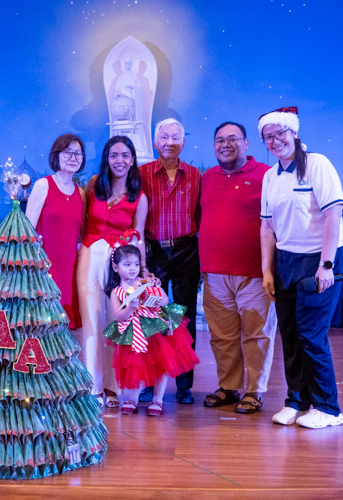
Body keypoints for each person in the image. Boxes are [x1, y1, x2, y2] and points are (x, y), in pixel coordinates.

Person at [259, 107, 343, 429]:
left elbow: (333, 215)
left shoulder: (317, 165)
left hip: (319, 258)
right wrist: (268, 270)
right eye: (268, 137)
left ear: (294, 132)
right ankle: (297, 401)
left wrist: (326, 266)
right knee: (290, 334)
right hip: (286, 259)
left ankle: (328, 407)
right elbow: (267, 228)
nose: (275, 140)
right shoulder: (271, 176)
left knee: (311, 333)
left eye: (280, 133)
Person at [199, 121, 277, 414]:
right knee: (222, 336)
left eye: (233, 139)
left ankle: (254, 391)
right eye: (220, 140)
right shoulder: (207, 178)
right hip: (215, 272)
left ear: (247, 143)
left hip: (255, 273)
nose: (225, 144)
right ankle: (228, 386)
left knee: (257, 334)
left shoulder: (266, 177)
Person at [76, 136, 148, 409]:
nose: (119, 161)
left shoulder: (139, 197)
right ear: (107, 158)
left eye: (125, 155)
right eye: (114, 155)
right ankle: (91, 386)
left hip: (119, 262)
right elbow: (80, 220)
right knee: (91, 318)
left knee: (116, 321)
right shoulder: (94, 185)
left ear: (132, 160)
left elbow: (138, 237)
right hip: (89, 256)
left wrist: (140, 272)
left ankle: (114, 386)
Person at [139, 118, 201, 405]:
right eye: (164, 137)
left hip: (187, 250)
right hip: (154, 253)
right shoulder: (141, 174)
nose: (169, 142)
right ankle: (151, 383)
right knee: (153, 318)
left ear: (183, 142)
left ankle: (185, 384)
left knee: (183, 316)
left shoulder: (196, 175)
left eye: (175, 137)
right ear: (155, 142)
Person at [103, 239, 199, 416]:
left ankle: (158, 399)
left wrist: (152, 294)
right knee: (135, 365)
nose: (132, 268)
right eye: (127, 264)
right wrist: (130, 308)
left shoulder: (148, 281)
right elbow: (118, 315)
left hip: (154, 329)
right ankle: (133, 398)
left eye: (136, 264)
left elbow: (164, 300)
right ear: (116, 268)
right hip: (133, 332)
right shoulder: (117, 291)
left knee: (160, 365)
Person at [26, 134, 85, 330]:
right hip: (45, 266)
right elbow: (26, 230)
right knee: (43, 325)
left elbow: (81, 234)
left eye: (78, 153)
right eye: (68, 152)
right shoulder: (44, 185)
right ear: (56, 155)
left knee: (66, 327)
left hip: (70, 267)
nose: (73, 157)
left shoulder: (80, 192)